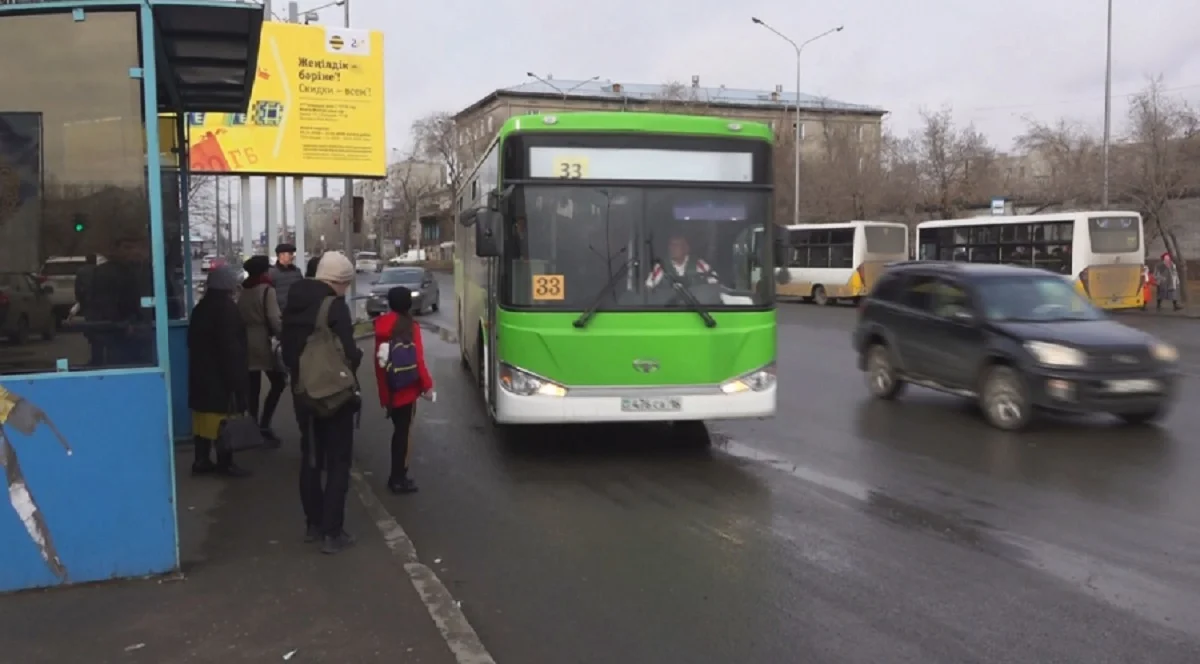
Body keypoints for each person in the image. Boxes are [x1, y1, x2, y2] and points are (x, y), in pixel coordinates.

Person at [280, 251, 363, 554]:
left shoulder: (295, 301)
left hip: (303, 392)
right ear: (338, 282)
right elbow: (350, 352)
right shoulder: (334, 306)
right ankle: (333, 532)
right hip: (333, 396)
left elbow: (288, 348)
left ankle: (313, 525)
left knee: (311, 457)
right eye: (345, 284)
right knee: (338, 460)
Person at [187, 266, 251, 477]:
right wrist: (238, 382)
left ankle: (202, 460)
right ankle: (226, 463)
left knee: (202, 421)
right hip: (220, 377)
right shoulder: (227, 310)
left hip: (201, 375)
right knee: (223, 420)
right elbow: (231, 349)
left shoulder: (201, 308)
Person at [372, 287, 433, 494]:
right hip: (406, 387)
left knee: (398, 431)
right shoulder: (409, 326)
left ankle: (397, 475)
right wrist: (427, 385)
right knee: (403, 433)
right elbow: (418, 359)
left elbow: (379, 361)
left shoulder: (381, 326)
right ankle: (398, 477)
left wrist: (383, 390)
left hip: (389, 386)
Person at [238, 255, 286, 445]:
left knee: (253, 388)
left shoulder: (243, 289)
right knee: (279, 382)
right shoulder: (267, 290)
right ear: (265, 271)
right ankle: (265, 425)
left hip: (244, 340)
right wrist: (282, 335)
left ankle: (252, 427)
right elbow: (274, 319)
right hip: (263, 342)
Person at [645, 234, 719, 289]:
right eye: (671, 245)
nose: (672, 248)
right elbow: (649, 287)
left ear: (686, 248)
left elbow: (715, 285)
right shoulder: (661, 266)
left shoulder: (699, 264)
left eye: (676, 245)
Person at [269, 243, 303, 311]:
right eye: (290, 254)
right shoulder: (271, 273)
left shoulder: (297, 272)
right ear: (281, 255)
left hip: (297, 311)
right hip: (280, 313)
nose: (293, 256)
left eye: (292, 254)